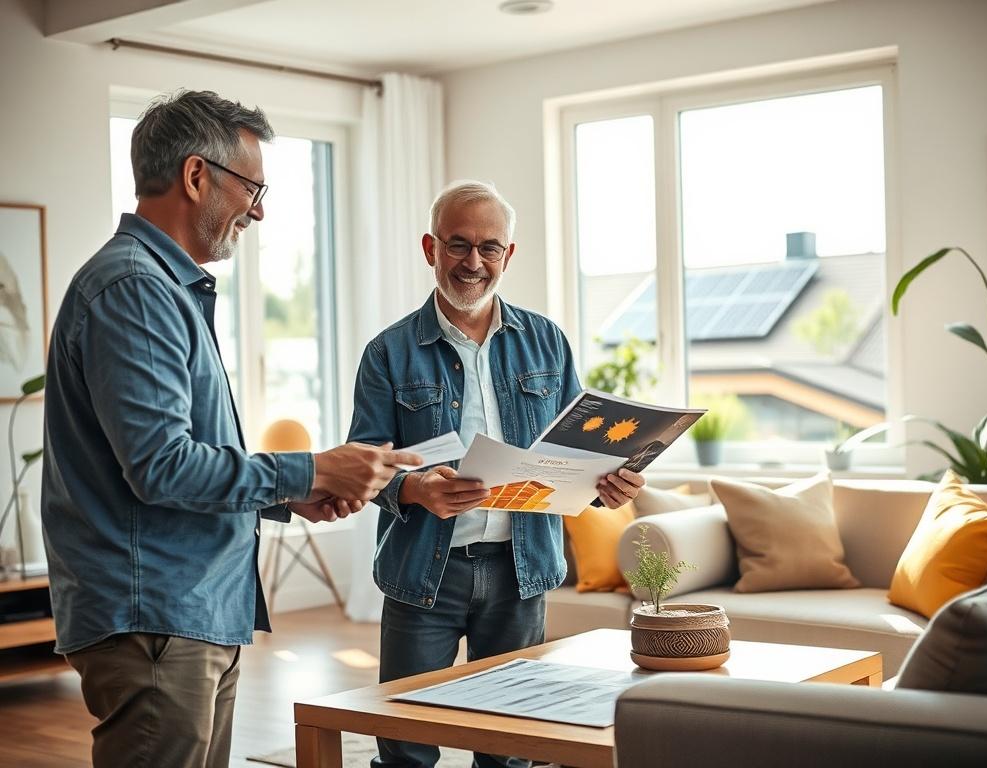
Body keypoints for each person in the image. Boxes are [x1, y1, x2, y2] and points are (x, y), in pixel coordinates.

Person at [41, 90, 420, 768]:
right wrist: (312, 469)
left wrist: (288, 497)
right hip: (156, 615)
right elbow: (162, 466)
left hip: (188, 611)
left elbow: (180, 460)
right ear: (195, 176)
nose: (260, 209)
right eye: (253, 187)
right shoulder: (134, 290)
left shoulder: (161, 288)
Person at [348, 180, 645, 768]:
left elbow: (572, 452)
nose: (473, 263)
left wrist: (607, 485)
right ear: (430, 248)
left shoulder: (547, 343)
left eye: (489, 248)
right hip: (422, 575)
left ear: (508, 255)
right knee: (405, 742)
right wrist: (415, 488)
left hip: (521, 569)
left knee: (512, 746)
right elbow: (365, 467)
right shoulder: (389, 353)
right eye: (458, 246)